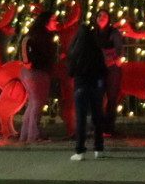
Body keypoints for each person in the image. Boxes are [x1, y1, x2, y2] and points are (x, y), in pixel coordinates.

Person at [66, 8, 107, 160]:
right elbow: (103, 69)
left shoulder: (75, 52)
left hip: (81, 85)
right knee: (97, 117)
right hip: (95, 86)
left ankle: (80, 151)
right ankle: (98, 149)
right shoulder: (96, 50)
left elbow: (70, 70)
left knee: (81, 118)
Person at [19, 11, 57, 144]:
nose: (56, 22)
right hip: (37, 72)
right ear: (46, 21)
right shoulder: (41, 35)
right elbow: (25, 42)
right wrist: (27, 61)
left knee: (33, 103)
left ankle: (25, 134)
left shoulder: (40, 34)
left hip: (33, 71)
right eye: (53, 19)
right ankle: (33, 135)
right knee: (37, 103)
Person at [94, 10, 125, 136]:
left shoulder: (113, 32)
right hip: (97, 69)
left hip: (112, 69)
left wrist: (114, 60)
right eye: (99, 15)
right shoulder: (93, 33)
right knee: (98, 97)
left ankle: (108, 127)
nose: (102, 17)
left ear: (108, 19)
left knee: (112, 97)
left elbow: (119, 50)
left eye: (105, 16)